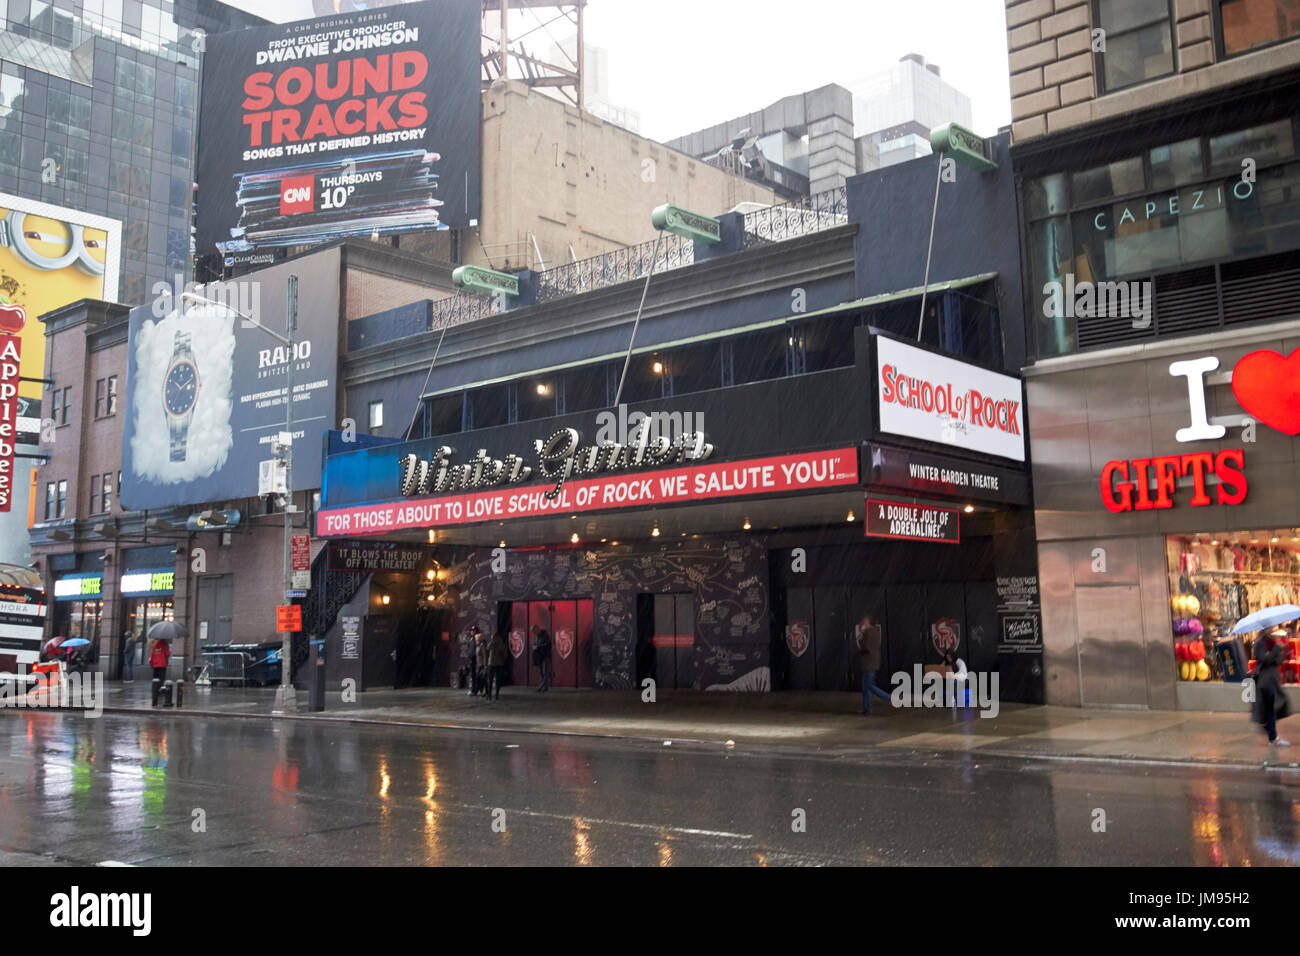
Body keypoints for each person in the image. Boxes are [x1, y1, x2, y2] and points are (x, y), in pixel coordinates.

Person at [1253, 628, 1292, 748]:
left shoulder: (1272, 643)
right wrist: (1276, 649)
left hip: (1272, 680)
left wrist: (1284, 655)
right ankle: (1272, 736)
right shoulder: (1259, 644)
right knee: (1272, 708)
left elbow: (1274, 662)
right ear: (1264, 630)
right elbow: (1265, 660)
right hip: (1266, 681)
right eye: (1269, 629)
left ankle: (1271, 733)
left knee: (1273, 708)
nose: (1272, 631)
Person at [856, 617, 892, 715]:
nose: (862, 622)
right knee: (865, 686)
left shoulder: (868, 632)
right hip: (872, 662)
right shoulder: (876, 631)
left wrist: (861, 638)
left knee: (869, 685)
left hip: (868, 663)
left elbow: (866, 647)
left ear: (867, 622)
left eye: (864, 621)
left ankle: (888, 697)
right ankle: (867, 708)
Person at [487, 630, 508, 700]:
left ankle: (489, 695)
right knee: (498, 680)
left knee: (490, 679)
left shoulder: (492, 642)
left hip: (491, 663)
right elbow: (505, 654)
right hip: (499, 663)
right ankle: (496, 695)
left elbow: (488, 648)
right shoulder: (501, 642)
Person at [532, 624, 552, 692]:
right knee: (541, 673)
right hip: (539, 656)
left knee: (545, 672)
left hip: (545, 656)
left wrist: (538, 646)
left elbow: (548, 644)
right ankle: (545, 688)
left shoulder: (545, 634)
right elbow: (534, 643)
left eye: (534, 631)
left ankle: (540, 686)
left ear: (537, 629)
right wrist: (534, 646)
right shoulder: (535, 636)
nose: (533, 633)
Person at [465, 626, 482, 696]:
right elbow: (469, 649)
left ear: (476, 631)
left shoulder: (478, 639)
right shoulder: (470, 639)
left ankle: (478, 690)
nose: (472, 631)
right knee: (472, 676)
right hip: (471, 660)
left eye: (474, 630)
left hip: (477, 660)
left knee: (477, 676)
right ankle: (473, 690)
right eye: (471, 630)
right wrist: (469, 655)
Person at [473, 628, 490, 697]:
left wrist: (485, 665)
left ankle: (485, 692)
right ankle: (480, 691)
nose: (475, 640)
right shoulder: (478, 645)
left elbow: (485, 655)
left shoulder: (482, 645)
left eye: (476, 639)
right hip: (479, 664)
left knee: (483, 679)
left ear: (479, 639)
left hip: (482, 665)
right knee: (479, 679)